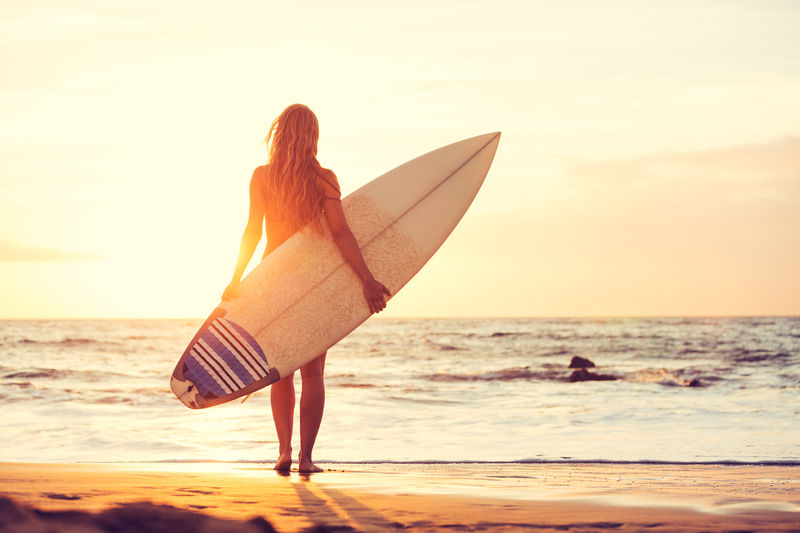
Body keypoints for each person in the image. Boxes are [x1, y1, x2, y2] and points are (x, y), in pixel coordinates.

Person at [221, 104, 390, 474]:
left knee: (281, 370)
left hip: (273, 279)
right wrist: (366, 279)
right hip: (313, 282)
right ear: (313, 137)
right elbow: (340, 233)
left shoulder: (262, 177)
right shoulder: (324, 178)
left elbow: (252, 231)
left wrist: (236, 278)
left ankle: (283, 452)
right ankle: (306, 458)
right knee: (313, 373)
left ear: (279, 134)